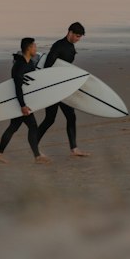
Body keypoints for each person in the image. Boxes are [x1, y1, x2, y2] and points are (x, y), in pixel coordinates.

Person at [36, 21, 90, 157]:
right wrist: (52, 87)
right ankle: (33, 145)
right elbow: (48, 66)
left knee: (70, 117)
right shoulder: (58, 46)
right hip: (54, 88)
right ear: (70, 32)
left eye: (80, 37)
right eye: (77, 36)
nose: (78, 39)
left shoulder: (71, 47)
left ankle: (74, 149)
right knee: (50, 119)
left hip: (62, 88)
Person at [0, 37, 51, 165]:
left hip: (23, 101)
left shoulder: (29, 63)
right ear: (29, 48)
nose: (36, 49)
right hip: (20, 102)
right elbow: (18, 87)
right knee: (32, 126)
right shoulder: (20, 65)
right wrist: (23, 106)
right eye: (34, 47)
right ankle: (37, 156)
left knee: (14, 127)